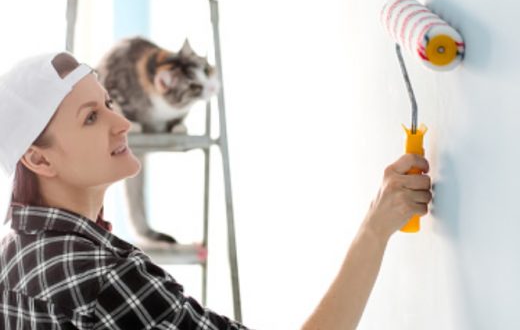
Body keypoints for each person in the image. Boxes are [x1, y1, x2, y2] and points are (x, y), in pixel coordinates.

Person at [0, 52, 432, 330]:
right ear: (39, 160)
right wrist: (375, 229)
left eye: (109, 104)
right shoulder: (101, 277)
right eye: (91, 118)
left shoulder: (14, 255)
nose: (123, 124)